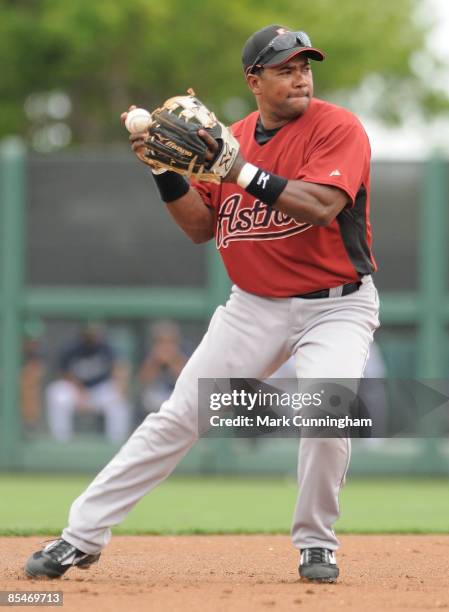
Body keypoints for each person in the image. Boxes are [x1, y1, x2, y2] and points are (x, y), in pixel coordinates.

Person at [25, 24, 379, 583]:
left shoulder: (336, 128)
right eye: (285, 68)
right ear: (254, 80)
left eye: (305, 66)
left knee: (325, 410)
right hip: (254, 307)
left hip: (336, 306)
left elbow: (320, 206)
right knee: (177, 416)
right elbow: (200, 227)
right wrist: (164, 171)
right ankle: (80, 537)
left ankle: (317, 543)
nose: (300, 77)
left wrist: (236, 168)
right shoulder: (229, 138)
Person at [45, 322, 131, 443]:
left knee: (118, 400)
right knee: (56, 393)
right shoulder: (71, 347)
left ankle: (116, 444)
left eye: (94, 333)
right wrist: (79, 391)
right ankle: (61, 442)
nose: (92, 336)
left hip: (100, 391)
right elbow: (63, 373)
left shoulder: (106, 347)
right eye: (89, 333)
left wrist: (121, 387)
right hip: (76, 391)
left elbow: (119, 368)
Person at [138, 320, 187, 416]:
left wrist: (173, 360)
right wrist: (155, 361)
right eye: (161, 341)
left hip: (176, 395)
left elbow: (187, 381)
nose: (165, 345)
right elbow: (143, 381)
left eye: (169, 341)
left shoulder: (183, 352)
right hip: (155, 396)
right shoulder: (151, 354)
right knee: (152, 399)